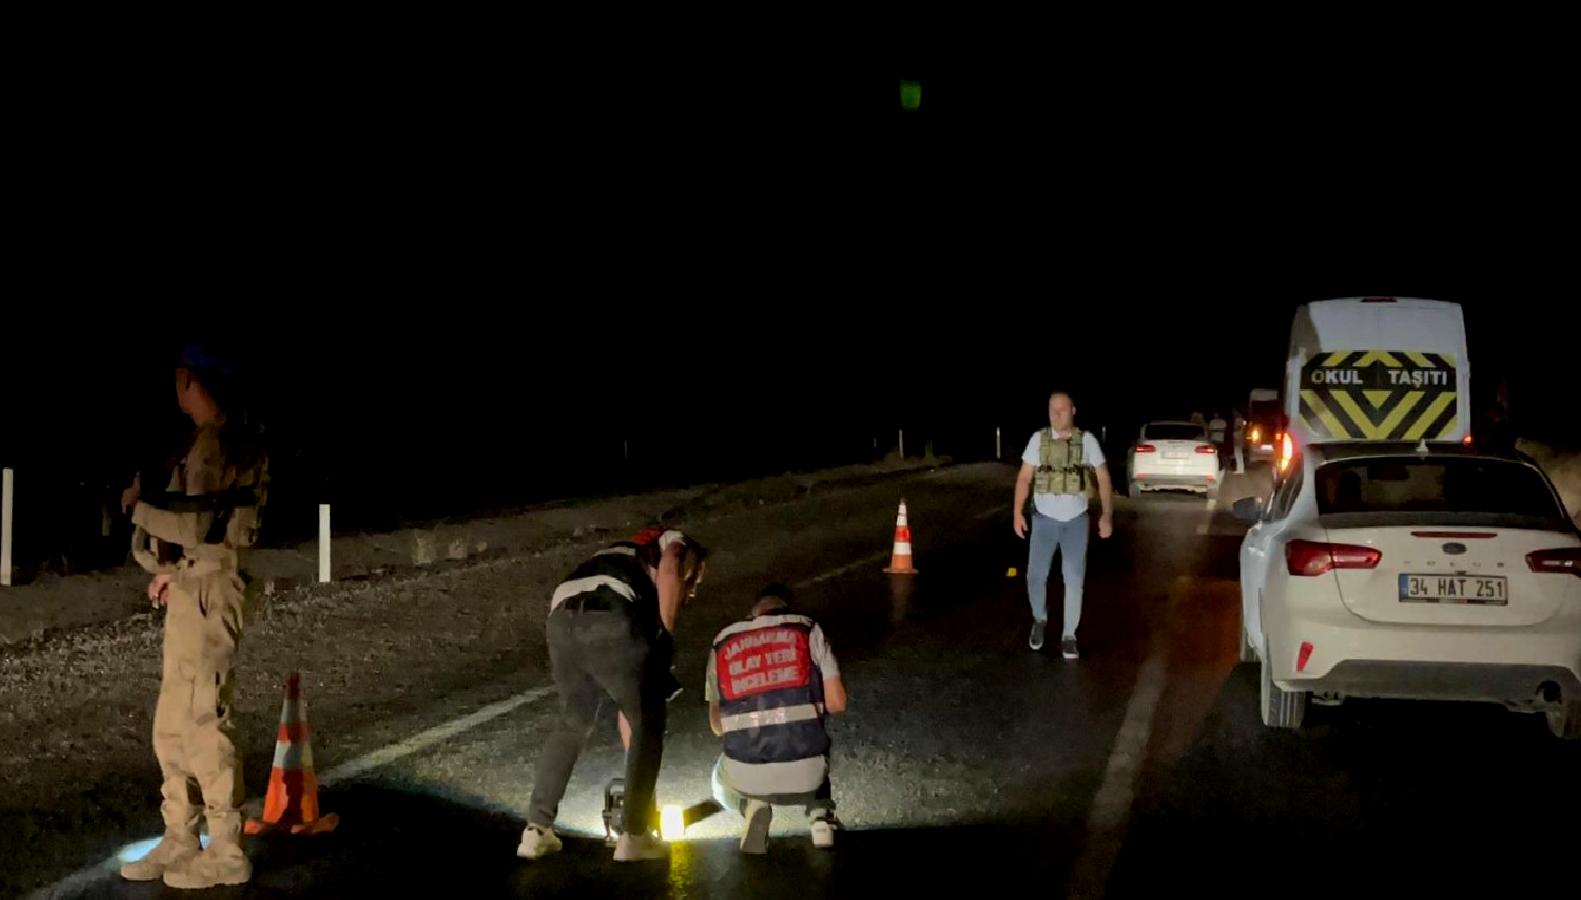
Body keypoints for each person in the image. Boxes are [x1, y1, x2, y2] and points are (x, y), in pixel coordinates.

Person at [118, 345, 268, 889]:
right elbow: (197, 532)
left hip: (210, 593)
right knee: (172, 723)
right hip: (192, 588)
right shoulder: (213, 441)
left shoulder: (224, 443)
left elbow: (198, 527)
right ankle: (180, 835)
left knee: (206, 721)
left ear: (190, 380)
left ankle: (226, 849)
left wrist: (138, 508)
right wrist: (170, 572)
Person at [518, 527, 709, 862]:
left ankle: (535, 831)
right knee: (650, 718)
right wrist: (666, 633)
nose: (692, 593)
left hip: (562, 618)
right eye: (694, 583)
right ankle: (633, 837)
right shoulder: (676, 542)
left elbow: (629, 715)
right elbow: (672, 565)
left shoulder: (618, 556)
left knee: (573, 721)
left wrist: (639, 769)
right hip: (609, 610)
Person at [706, 584, 846, 854]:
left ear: (753, 615)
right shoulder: (807, 630)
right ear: (787, 611)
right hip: (807, 773)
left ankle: (751, 806)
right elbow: (837, 703)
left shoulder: (722, 642)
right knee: (812, 735)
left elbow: (717, 726)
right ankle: (820, 818)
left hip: (745, 774)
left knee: (718, 778)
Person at [1013, 391, 1114, 659]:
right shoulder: (1039, 440)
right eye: (1053, 410)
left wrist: (1107, 514)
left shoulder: (1087, 441)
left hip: (1076, 522)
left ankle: (1069, 635)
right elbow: (1024, 477)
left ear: (1073, 410)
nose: (1058, 415)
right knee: (1035, 575)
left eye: (1063, 409)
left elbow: (1103, 478)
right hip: (1044, 520)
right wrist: (1016, 512)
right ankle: (1039, 618)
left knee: (1074, 579)